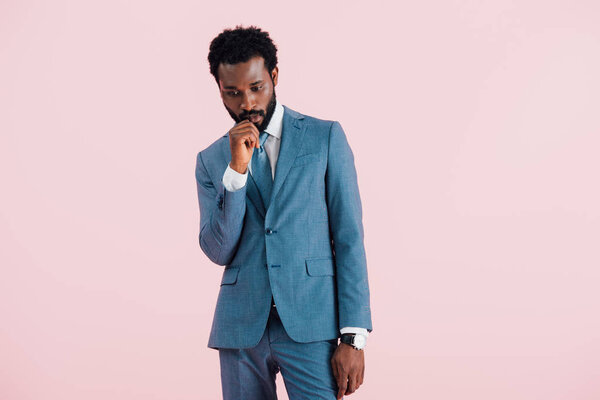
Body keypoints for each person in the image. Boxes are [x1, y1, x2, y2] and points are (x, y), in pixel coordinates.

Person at [195, 25, 373, 400]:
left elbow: (349, 237)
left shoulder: (325, 138)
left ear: (274, 77)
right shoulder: (212, 161)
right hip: (242, 327)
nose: (247, 103)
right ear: (220, 90)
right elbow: (218, 250)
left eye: (256, 87)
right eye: (233, 92)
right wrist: (237, 172)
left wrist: (353, 336)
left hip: (312, 322)